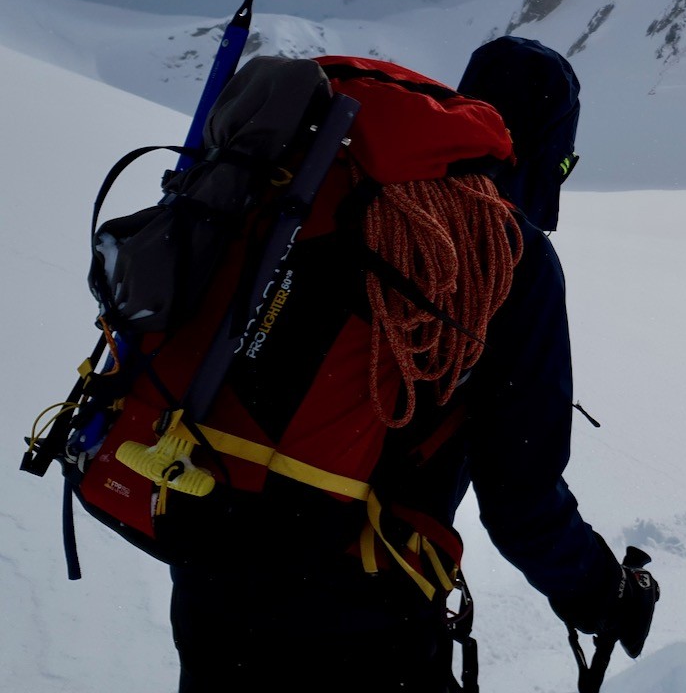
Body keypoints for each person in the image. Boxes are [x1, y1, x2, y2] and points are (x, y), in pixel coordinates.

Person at [168, 46, 658, 692]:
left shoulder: (315, 191)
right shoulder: (507, 253)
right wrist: (603, 592)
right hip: (359, 609)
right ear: (550, 149)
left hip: (208, 567)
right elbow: (521, 499)